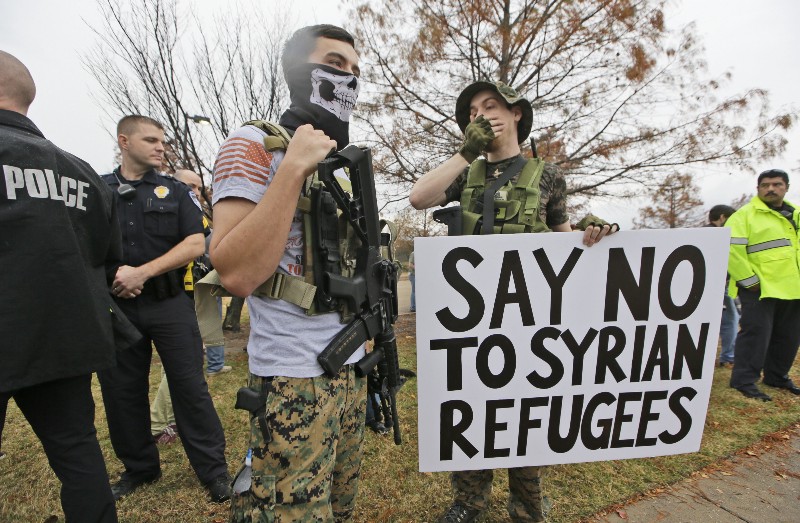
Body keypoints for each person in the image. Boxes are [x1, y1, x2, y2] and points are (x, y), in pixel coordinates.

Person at [409, 80, 616, 523]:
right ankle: (469, 502)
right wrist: (466, 152)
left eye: (492, 105)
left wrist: (592, 234)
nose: (481, 114)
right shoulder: (465, 171)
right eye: (472, 111)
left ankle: (527, 507)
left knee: (523, 411)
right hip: (471, 316)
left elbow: (565, 244)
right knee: (470, 407)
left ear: (517, 113)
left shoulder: (549, 175)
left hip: (529, 315)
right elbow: (418, 198)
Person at [210, 25, 365, 521]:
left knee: (338, 509)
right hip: (293, 378)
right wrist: (294, 167)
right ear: (301, 71)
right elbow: (234, 272)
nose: (349, 81)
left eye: (356, 72)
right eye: (336, 65)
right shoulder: (252, 142)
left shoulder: (342, 163)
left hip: (351, 370)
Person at [0, 50, 119, 522]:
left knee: (77, 450)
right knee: (78, 452)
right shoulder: (83, 173)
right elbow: (105, 255)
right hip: (65, 335)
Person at [97, 115, 231, 502]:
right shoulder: (99, 190)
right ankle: (140, 469)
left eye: (163, 141)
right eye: (151, 140)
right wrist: (116, 276)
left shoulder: (174, 191)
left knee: (190, 389)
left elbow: (194, 244)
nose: (161, 147)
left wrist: (143, 272)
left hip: (169, 304)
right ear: (124, 141)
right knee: (122, 393)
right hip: (119, 307)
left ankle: (213, 472)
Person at [727, 169, 800, 401]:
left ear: (786, 187)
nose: (771, 189)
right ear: (757, 189)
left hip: (792, 286)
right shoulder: (744, 216)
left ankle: (777, 376)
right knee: (756, 334)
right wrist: (749, 281)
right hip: (759, 288)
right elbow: (730, 250)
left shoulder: (796, 214)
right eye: (765, 185)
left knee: (788, 335)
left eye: (776, 184)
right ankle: (744, 380)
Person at [705, 204, 739, 367]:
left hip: (701, 286)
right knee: (730, 320)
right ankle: (728, 356)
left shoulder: (699, 233)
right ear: (723, 217)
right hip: (718, 285)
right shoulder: (720, 236)